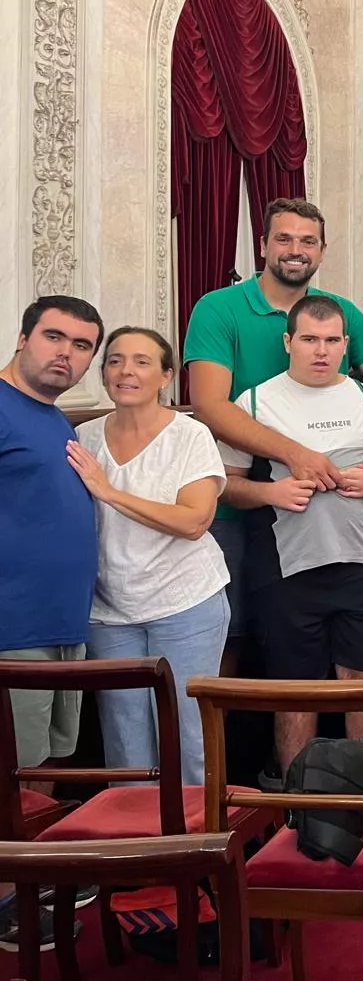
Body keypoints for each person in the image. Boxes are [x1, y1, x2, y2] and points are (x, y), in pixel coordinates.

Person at [184, 198, 363, 641]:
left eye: (308, 241)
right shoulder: (218, 308)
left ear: (322, 251)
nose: (296, 250)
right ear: (263, 245)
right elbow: (209, 405)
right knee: (231, 636)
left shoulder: (339, 311)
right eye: (284, 239)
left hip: (330, 522)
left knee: (333, 646)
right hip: (237, 504)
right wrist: (295, 454)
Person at [218, 295, 363, 774]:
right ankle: (296, 802)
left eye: (332, 340)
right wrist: (271, 493)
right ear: (288, 342)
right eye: (310, 339)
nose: (321, 350)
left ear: (346, 344)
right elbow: (225, 486)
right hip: (286, 569)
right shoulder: (254, 402)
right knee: (295, 690)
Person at [73, 327, 229, 785]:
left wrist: (109, 491)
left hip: (186, 604)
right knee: (126, 750)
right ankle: (137, 832)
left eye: (142, 362)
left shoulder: (190, 435)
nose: (126, 371)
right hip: (109, 611)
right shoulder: (82, 436)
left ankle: (196, 831)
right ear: (103, 374)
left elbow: (194, 521)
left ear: (165, 376)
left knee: (189, 740)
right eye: (115, 360)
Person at [1, 296, 103, 771]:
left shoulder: (57, 419)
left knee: (46, 768)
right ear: (23, 339)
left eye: (82, 345)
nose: (66, 352)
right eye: (53, 336)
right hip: (13, 630)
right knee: (12, 777)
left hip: (64, 625)